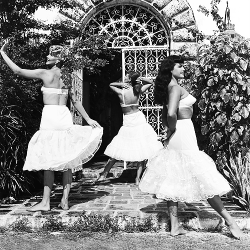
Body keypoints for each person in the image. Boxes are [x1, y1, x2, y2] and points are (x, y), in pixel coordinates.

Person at [139, 55, 244, 239]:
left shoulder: (170, 88)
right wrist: (171, 131)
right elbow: (171, 113)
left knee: (173, 176)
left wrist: (167, 130)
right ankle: (230, 222)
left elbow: (166, 113)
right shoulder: (175, 88)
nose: (183, 69)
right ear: (171, 69)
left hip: (178, 132)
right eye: (180, 66)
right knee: (201, 175)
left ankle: (174, 226)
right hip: (182, 132)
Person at [0, 41, 103, 211]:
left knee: (49, 159)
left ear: (56, 60)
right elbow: (75, 102)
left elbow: (17, 71)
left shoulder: (44, 74)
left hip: (49, 116)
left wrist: (3, 53)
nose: (46, 57)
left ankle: (46, 202)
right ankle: (64, 200)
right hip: (64, 116)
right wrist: (88, 119)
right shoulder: (68, 76)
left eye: (49, 55)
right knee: (67, 159)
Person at [95, 71, 163, 185]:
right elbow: (150, 82)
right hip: (138, 118)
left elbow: (111, 84)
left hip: (129, 120)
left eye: (126, 77)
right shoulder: (137, 90)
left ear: (128, 80)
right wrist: (138, 78)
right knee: (141, 149)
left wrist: (120, 84)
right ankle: (137, 179)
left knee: (118, 148)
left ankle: (104, 174)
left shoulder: (122, 92)